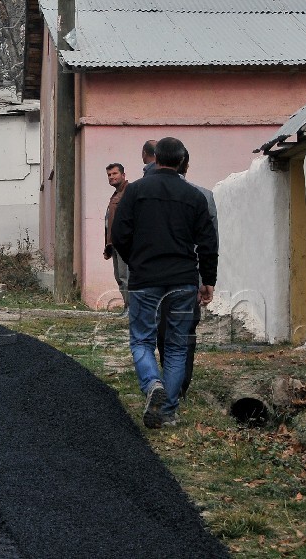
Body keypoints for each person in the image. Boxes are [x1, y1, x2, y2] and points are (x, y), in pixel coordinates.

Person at [111, 137, 217, 429]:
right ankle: (168, 411)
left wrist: (137, 260)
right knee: (177, 347)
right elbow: (208, 242)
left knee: (142, 339)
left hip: (145, 279)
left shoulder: (136, 191)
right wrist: (207, 280)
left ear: (155, 159)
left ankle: (152, 383)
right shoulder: (194, 196)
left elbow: (119, 234)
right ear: (182, 161)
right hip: (183, 281)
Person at [157, 148, 220, 397]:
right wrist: (207, 281)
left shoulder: (148, 195)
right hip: (189, 277)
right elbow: (210, 243)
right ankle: (181, 383)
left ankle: (169, 379)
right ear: (186, 164)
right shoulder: (203, 196)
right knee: (184, 330)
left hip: (157, 278)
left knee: (162, 330)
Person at [102, 163, 129, 309]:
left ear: (123, 175)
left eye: (114, 174)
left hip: (125, 245)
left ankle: (131, 309)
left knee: (126, 278)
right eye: (109, 175)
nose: (111, 177)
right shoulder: (115, 195)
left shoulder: (129, 192)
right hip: (115, 245)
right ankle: (128, 307)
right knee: (120, 278)